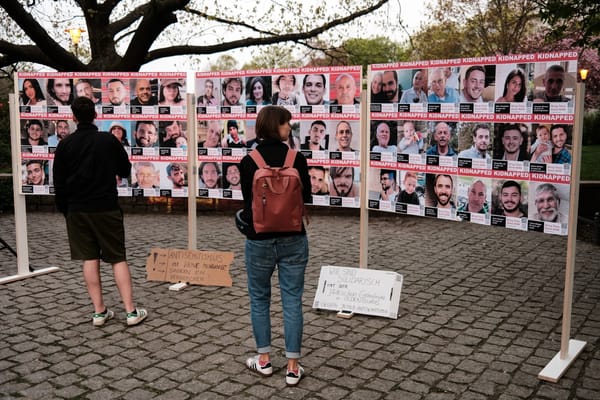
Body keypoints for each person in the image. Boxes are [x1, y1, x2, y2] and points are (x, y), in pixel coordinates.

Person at [52, 96, 147, 327]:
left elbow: (59, 184)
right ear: (95, 115)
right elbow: (125, 170)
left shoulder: (65, 145)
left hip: (77, 210)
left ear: (73, 117)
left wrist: (67, 211)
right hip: (106, 207)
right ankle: (131, 311)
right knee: (118, 258)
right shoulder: (108, 140)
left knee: (89, 258)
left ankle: (99, 312)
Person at [238, 105, 311, 386]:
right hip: (294, 236)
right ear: (275, 126)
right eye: (286, 123)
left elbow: (248, 204)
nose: (289, 127)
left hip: (259, 240)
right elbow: (308, 195)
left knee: (259, 299)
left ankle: (265, 361)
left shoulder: (249, 161)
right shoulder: (297, 158)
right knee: (292, 299)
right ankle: (293, 367)